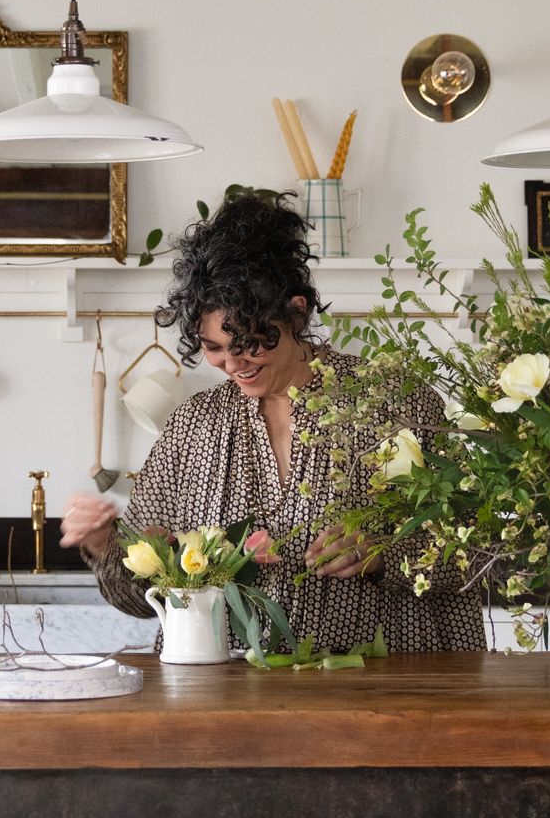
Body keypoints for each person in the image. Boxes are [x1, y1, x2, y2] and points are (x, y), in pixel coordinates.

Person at [60, 193, 484, 654]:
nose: (232, 362)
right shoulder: (192, 426)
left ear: (296, 312)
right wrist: (104, 545)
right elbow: (142, 600)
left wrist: (384, 555)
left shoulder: (392, 404)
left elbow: (476, 557)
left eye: (249, 342)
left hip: (378, 689)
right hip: (227, 695)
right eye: (215, 347)